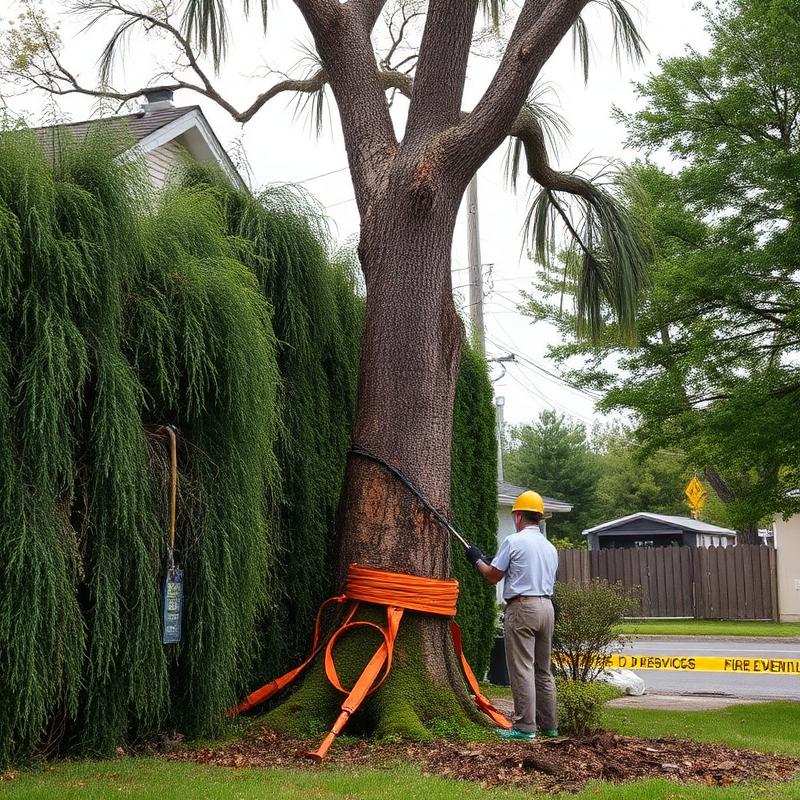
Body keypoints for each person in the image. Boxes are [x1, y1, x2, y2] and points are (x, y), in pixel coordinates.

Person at [465, 490, 559, 741]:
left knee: (522, 668)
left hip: (522, 608)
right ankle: (550, 726)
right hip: (546, 608)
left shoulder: (513, 541)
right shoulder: (550, 547)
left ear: (518, 516)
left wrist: (476, 560)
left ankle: (525, 727)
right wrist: (491, 561)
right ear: (539, 517)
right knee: (543, 670)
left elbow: (492, 576)